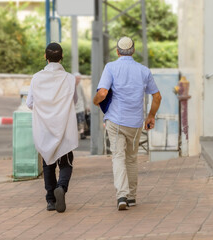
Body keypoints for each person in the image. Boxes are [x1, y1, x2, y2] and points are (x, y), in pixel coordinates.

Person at [93, 36, 162, 210]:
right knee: (131, 158)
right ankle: (131, 196)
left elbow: (102, 93)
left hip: (115, 121)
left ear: (117, 51)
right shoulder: (143, 70)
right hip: (136, 122)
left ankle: (122, 196)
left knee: (118, 157)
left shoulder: (111, 67)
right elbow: (157, 96)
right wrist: (151, 116)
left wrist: (95, 101)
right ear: (133, 51)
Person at [26, 42, 78, 213]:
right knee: (66, 164)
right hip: (64, 128)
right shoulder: (69, 79)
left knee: (48, 163)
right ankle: (61, 187)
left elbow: (30, 103)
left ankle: (50, 200)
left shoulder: (36, 78)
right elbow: (74, 100)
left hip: (44, 128)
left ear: (45, 57)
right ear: (62, 57)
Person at [74, 72, 87, 139]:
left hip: (80, 106)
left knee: (81, 120)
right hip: (73, 107)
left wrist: (86, 105)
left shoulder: (80, 86)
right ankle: (75, 134)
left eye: (79, 79)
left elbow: (83, 96)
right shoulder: (71, 85)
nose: (78, 80)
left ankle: (82, 133)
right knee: (74, 121)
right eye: (77, 79)